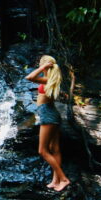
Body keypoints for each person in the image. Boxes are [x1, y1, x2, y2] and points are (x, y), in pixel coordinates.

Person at [25, 55, 71, 192]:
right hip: (50, 113)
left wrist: (42, 68)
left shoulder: (48, 80)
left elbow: (29, 77)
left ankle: (63, 179)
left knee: (43, 151)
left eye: (41, 63)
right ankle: (56, 180)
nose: (39, 65)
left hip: (47, 115)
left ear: (45, 65)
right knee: (54, 148)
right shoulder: (51, 80)